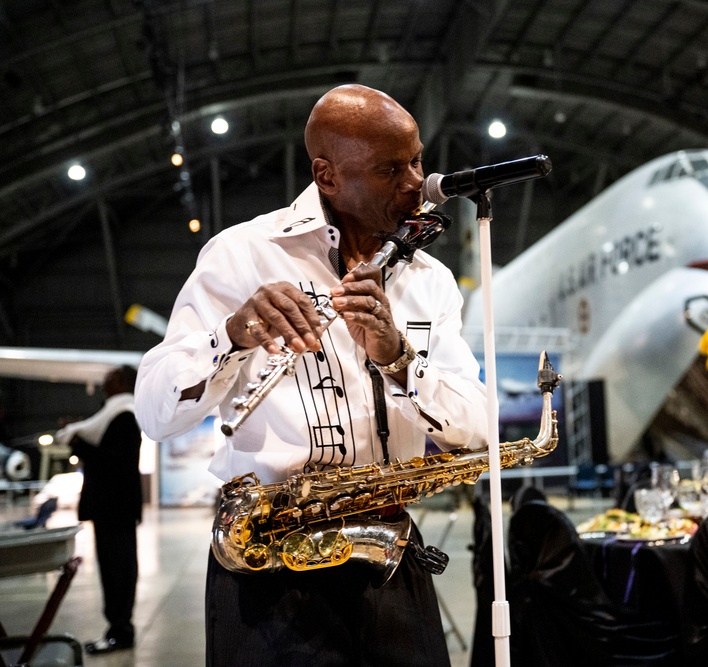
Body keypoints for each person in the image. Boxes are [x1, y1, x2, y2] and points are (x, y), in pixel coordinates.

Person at [134, 84, 488, 666]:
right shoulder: (241, 254)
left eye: (417, 160)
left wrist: (398, 358)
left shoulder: (431, 280)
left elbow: (474, 430)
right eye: (388, 169)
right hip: (271, 564)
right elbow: (155, 410)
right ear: (326, 175)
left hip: (390, 552)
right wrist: (233, 334)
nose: (414, 183)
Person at [56, 365, 142, 654]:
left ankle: (120, 630)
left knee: (118, 569)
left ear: (121, 382)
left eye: (110, 377)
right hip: (112, 509)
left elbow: (116, 463)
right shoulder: (116, 416)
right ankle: (117, 628)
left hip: (115, 508)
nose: (104, 382)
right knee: (114, 568)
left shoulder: (124, 416)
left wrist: (79, 443)